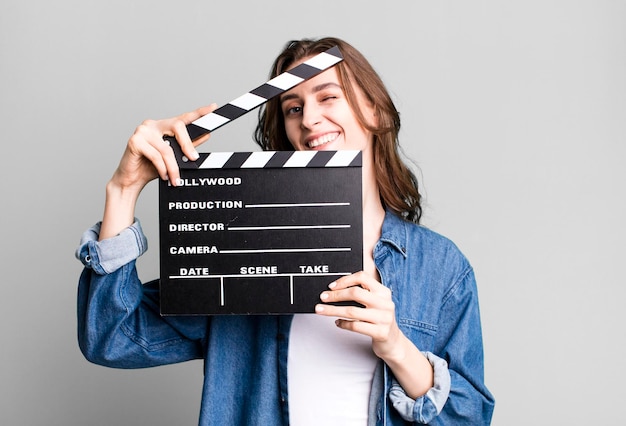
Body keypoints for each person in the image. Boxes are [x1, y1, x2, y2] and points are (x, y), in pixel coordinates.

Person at [76, 37, 495, 425]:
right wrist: (123, 189)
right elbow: (114, 337)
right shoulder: (242, 251)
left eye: (328, 96)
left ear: (375, 111)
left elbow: (470, 415)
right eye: (293, 107)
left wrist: (396, 347)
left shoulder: (441, 268)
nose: (310, 119)